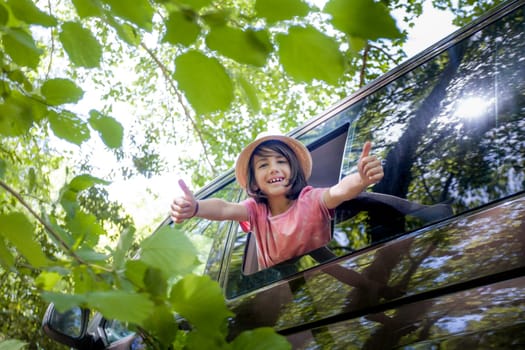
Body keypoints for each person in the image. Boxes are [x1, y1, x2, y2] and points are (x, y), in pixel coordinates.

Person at [170, 134, 384, 269]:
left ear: (294, 171)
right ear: (255, 181)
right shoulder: (256, 211)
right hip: (281, 283)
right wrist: (196, 206)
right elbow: (225, 208)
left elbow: (339, 191)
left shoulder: (310, 199)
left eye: (281, 161)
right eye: (263, 165)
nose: (273, 168)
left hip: (320, 269)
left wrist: (361, 179)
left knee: (344, 275)